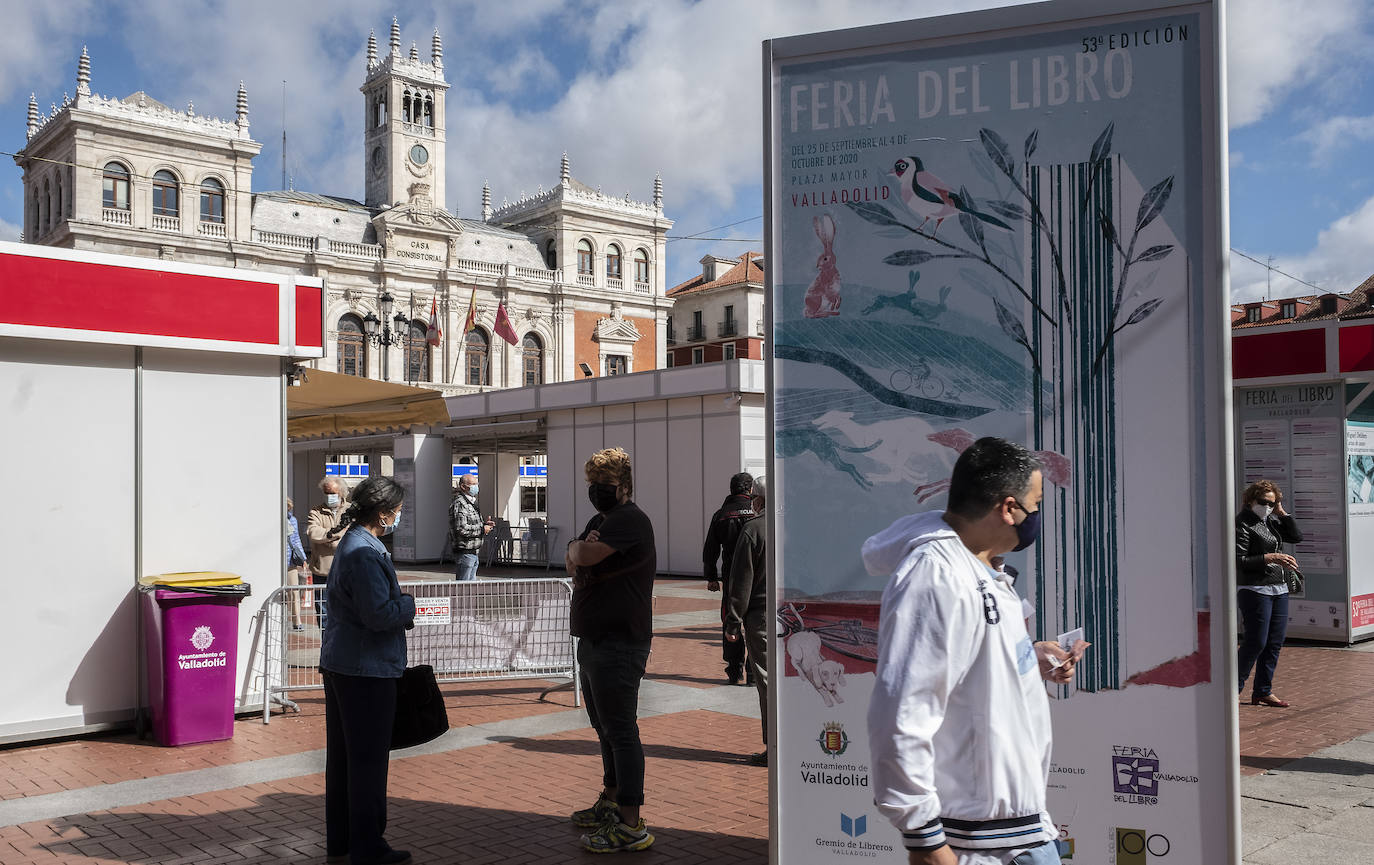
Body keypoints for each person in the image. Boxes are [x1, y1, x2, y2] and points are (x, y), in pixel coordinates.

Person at [864, 437, 1087, 865]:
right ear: (1008, 508)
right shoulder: (936, 574)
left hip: (1019, 834)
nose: (1036, 516)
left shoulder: (981, 568)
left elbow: (971, 669)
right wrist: (926, 842)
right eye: (1035, 504)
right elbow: (901, 712)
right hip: (978, 846)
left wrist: (1029, 659)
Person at [319, 476, 416, 865]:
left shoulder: (358, 545)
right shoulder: (364, 552)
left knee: (345, 760)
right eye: (399, 508)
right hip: (366, 670)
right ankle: (368, 846)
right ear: (384, 512)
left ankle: (343, 842)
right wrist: (408, 605)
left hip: (347, 664)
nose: (400, 514)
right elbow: (379, 615)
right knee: (367, 762)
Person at [565, 447, 657, 854]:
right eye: (592, 485)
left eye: (603, 486)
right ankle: (611, 798)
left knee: (621, 730)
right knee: (604, 728)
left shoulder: (630, 521)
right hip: (594, 639)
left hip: (620, 642)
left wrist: (580, 550)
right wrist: (577, 549)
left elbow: (582, 555)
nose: (596, 492)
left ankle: (631, 823)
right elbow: (575, 558)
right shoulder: (600, 520)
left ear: (622, 486)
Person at [1236, 479, 1302, 708]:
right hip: (1254, 588)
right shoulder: (1242, 523)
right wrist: (1272, 557)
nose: (1267, 506)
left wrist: (1281, 512)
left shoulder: (1270, 521)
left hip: (1278, 588)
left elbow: (1296, 536)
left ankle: (1263, 691)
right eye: (1263, 502)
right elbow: (1240, 561)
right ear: (1250, 500)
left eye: (1272, 503)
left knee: (1275, 642)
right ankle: (1233, 688)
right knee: (1256, 641)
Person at [726, 475, 769, 766]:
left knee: (767, 682)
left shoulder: (753, 529)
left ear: (759, 500)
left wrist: (732, 621)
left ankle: (775, 746)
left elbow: (742, 581)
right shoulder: (797, 526)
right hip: (796, 615)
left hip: (762, 616)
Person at [702, 471, 756, 684]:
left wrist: (711, 577)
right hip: (757, 579)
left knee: (730, 622)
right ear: (750, 489)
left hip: (731, 579)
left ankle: (734, 671)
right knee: (755, 624)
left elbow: (710, 549)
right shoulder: (757, 512)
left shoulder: (722, 514)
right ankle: (753, 673)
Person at [308, 477, 349, 630]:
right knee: (324, 614)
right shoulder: (316, 511)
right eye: (326, 492)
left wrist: (326, 538)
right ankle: (326, 648)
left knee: (347, 611)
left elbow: (353, 535)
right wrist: (334, 535)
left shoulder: (351, 511)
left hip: (346, 570)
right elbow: (313, 532)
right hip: (322, 572)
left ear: (341, 493)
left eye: (332, 493)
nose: (328, 496)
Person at [448, 474, 493, 581]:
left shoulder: (471, 502)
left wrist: (485, 525)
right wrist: (482, 529)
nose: (476, 487)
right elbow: (461, 528)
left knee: (471, 588)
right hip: (465, 552)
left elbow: (470, 523)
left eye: (476, 484)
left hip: (473, 552)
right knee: (464, 587)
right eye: (473, 484)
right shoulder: (460, 503)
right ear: (463, 487)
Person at [286, 497, 307, 630]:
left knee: (294, 590)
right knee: (283, 593)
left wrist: (303, 558)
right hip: (276, 560)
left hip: (290, 561)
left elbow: (296, 539)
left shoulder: (292, 520)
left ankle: (297, 620)